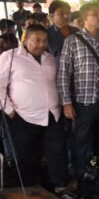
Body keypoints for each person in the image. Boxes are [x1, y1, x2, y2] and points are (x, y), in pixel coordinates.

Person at [59, 2, 99, 190]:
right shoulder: (72, 41)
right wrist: (66, 102)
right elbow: (64, 73)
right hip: (83, 101)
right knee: (80, 141)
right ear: (84, 19)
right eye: (95, 14)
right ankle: (77, 175)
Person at [0, 24, 68, 190]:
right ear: (25, 40)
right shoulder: (10, 56)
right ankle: (30, 188)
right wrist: (10, 110)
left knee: (57, 152)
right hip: (24, 115)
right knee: (28, 155)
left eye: (44, 40)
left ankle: (58, 186)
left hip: (52, 114)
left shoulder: (49, 58)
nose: (41, 44)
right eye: (37, 40)